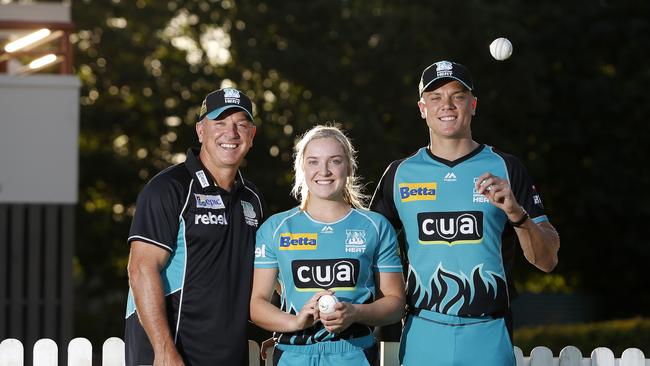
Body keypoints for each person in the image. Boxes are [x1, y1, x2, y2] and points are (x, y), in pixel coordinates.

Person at [370, 60, 560, 366]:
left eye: (457, 96)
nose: (447, 105)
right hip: (422, 329)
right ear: (422, 108)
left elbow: (548, 260)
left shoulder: (507, 168)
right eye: (435, 97)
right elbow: (369, 256)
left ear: (472, 105)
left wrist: (516, 212)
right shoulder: (399, 174)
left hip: (489, 330)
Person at [125, 87, 265, 365]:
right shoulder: (168, 188)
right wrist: (164, 351)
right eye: (220, 123)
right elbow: (141, 269)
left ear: (252, 135)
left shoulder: (253, 199)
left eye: (241, 124)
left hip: (228, 356)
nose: (231, 133)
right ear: (201, 131)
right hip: (171, 354)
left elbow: (260, 278)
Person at [250, 125, 405, 366]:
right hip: (293, 354)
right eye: (313, 162)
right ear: (301, 167)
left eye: (334, 161)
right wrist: (295, 322)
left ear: (349, 167)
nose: (324, 171)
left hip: (355, 353)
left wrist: (355, 313)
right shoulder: (276, 228)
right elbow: (257, 304)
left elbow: (395, 304)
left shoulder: (375, 226)